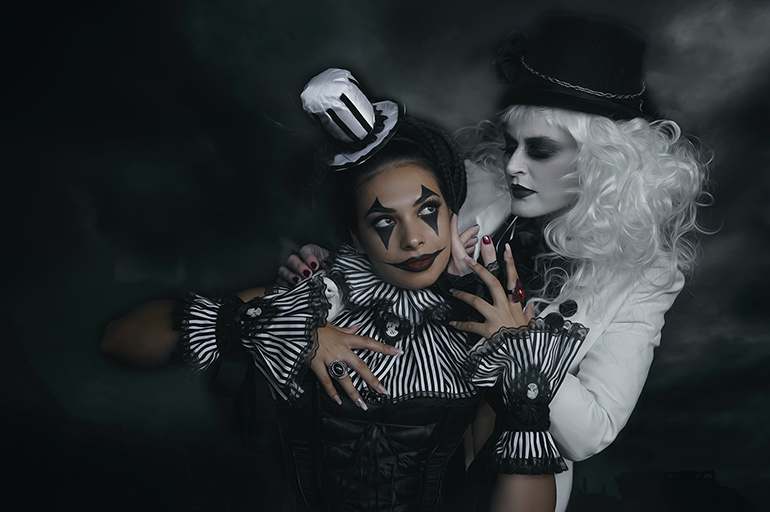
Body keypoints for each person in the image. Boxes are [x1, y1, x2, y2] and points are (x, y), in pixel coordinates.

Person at [102, 68, 587, 512]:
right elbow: (121, 340)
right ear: (355, 237)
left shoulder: (484, 328)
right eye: (384, 222)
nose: (413, 239)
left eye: (427, 211)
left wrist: (523, 381)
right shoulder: (311, 299)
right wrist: (278, 326)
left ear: (452, 214)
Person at [279, 15, 710, 512]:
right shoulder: (471, 189)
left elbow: (592, 433)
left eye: (539, 150)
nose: (512, 166)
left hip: (507, 476)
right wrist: (321, 277)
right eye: (511, 144)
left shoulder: (646, 275)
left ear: (603, 161)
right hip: (396, 452)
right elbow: (378, 262)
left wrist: (520, 346)